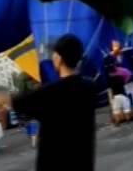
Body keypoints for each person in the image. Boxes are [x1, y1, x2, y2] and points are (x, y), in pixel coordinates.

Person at [13, 34, 97, 171]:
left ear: (59, 58)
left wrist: (0, 97)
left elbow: (18, 102)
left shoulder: (49, 93)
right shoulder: (90, 87)